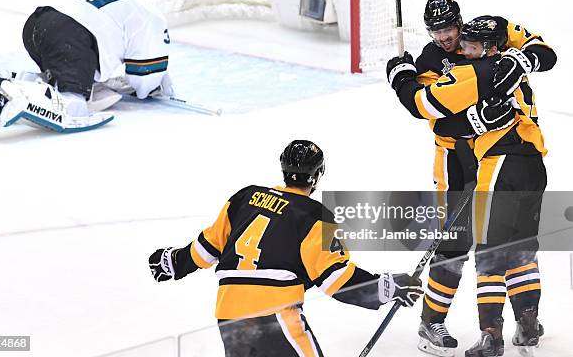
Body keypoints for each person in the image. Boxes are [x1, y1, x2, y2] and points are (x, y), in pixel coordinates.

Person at [148, 140, 423, 357]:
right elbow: (336, 279)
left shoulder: (246, 196)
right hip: (275, 314)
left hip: (228, 313)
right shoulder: (317, 215)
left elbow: (206, 249)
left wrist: (174, 261)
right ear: (317, 176)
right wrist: (387, 287)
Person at [387, 15, 556, 357]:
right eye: (438, 31)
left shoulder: (476, 64)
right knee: (457, 242)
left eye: (457, 34)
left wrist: (399, 76)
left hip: (493, 161)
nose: (454, 42)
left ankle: (494, 331)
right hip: (462, 160)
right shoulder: (442, 58)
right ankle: (434, 320)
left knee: (492, 247)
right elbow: (434, 115)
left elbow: (422, 104)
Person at [0, 0, 173, 133]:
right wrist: (154, 85)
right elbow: (144, 77)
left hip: (36, 24)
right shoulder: (146, 9)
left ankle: (15, 81)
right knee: (74, 105)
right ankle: (6, 95)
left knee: (63, 76)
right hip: (70, 36)